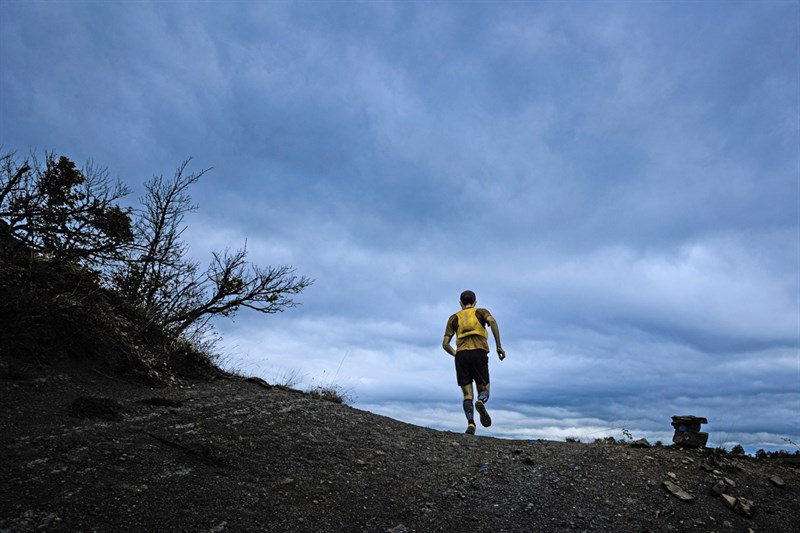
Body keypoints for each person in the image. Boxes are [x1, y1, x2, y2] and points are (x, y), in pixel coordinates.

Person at [442, 290, 506, 435]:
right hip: (479, 352)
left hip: (462, 355)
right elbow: (492, 321)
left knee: (467, 394)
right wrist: (499, 346)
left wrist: (456, 354)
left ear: (460, 303)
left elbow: (445, 344)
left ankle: (471, 424)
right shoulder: (481, 312)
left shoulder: (454, 318)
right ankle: (481, 402)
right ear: (475, 302)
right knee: (484, 390)